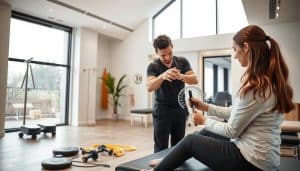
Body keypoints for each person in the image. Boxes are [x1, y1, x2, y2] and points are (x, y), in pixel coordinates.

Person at [147, 25, 295, 171]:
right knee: (204, 133)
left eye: (235, 50)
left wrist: (204, 120)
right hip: (263, 157)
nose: (235, 55)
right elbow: (236, 111)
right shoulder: (269, 80)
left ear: (246, 47)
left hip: (252, 161)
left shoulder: (256, 87)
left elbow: (231, 131)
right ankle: (170, 158)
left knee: (191, 141)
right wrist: (206, 107)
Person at [147, 35, 198, 153]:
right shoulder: (153, 66)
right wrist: (162, 76)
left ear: (172, 47)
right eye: (163, 55)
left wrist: (181, 76)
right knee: (161, 147)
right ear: (156, 53)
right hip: (161, 111)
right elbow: (149, 87)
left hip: (180, 109)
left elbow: (194, 79)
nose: (167, 57)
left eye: (169, 53)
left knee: (178, 147)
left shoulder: (182, 61)